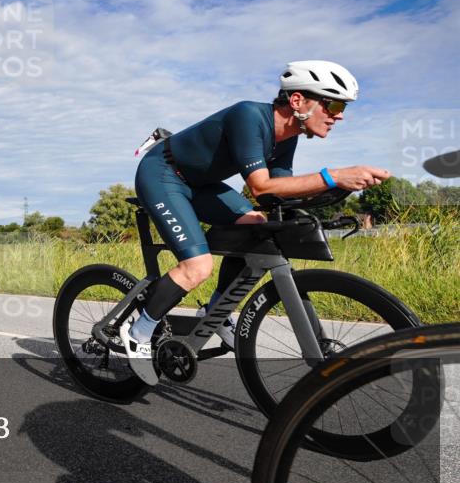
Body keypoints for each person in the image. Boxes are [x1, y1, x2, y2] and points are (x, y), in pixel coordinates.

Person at [123, 60, 391, 385]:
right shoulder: (249, 116)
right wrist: (334, 176)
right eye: (331, 103)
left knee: (255, 223)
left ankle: (215, 312)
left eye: (342, 106)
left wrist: (331, 192)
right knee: (197, 266)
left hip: (200, 185)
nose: (340, 114)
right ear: (297, 101)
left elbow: (275, 196)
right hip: (163, 174)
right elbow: (260, 185)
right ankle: (139, 331)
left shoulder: (287, 139)